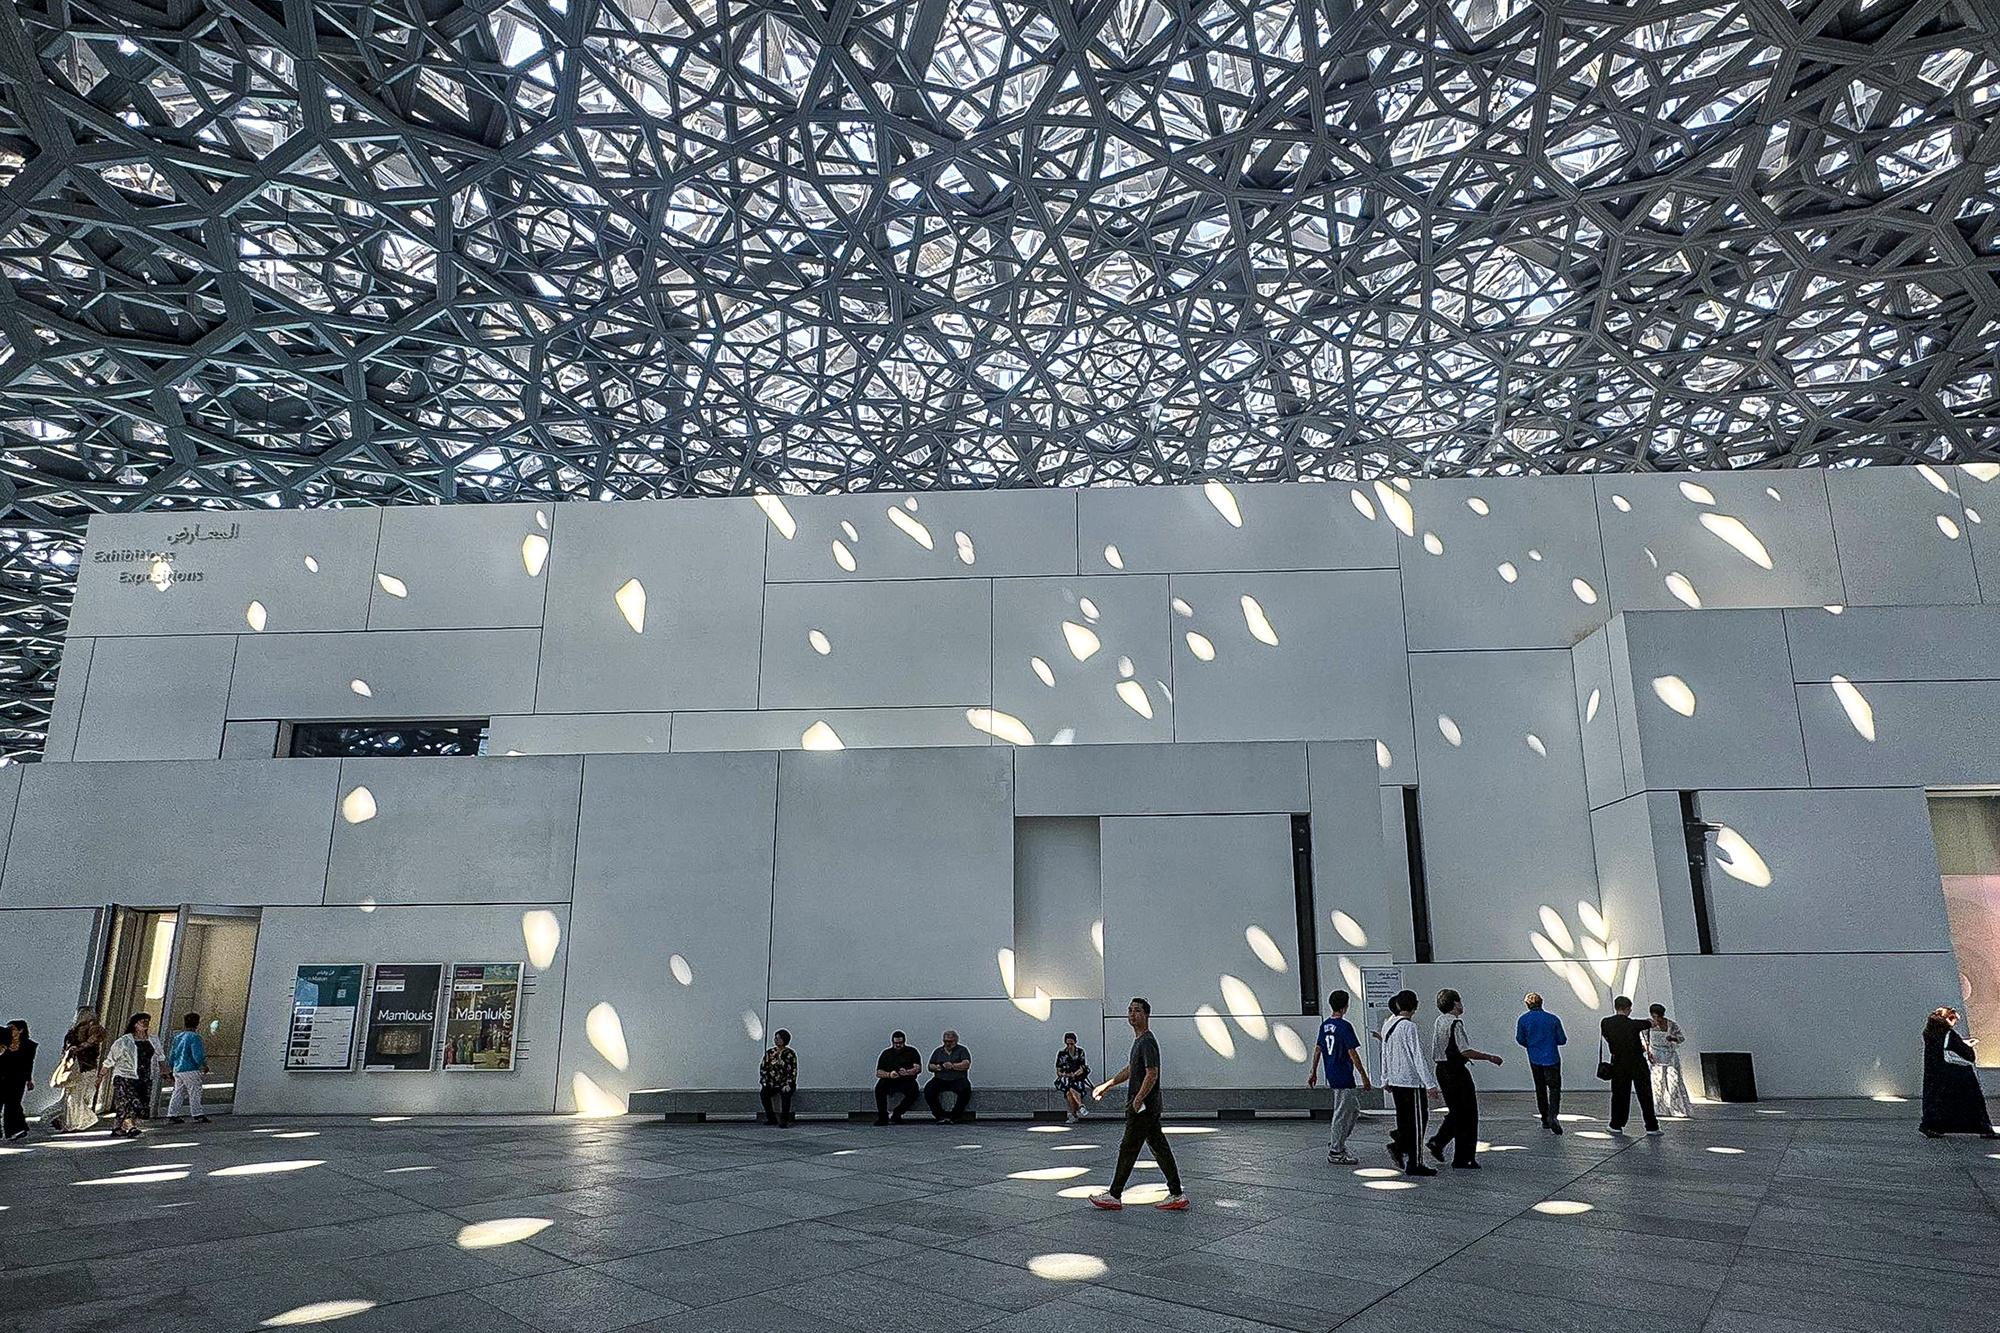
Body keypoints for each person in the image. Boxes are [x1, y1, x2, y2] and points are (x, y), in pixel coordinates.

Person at [1089, 998, 1189, 1210]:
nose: (1131, 1014)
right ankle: (1176, 1193)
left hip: (1143, 1107)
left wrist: (1139, 1098)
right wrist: (1107, 1085)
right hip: (1147, 1106)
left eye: (1136, 1011)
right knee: (1159, 1147)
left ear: (1146, 1015)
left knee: (1128, 1147)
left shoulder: (1147, 1041)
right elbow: (1132, 1069)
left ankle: (1114, 1194)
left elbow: (1152, 1073)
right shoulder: (1140, 1042)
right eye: (1129, 1011)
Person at [1427, 989, 1502, 1169]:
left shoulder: (1439, 1021)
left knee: (1456, 1111)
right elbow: (1465, 1050)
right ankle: (1463, 1156)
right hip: (1456, 1071)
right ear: (1455, 1004)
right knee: (1468, 1114)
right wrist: (1489, 1057)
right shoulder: (1455, 1023)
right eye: (1459, 1001)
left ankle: (1439, 1142)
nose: (1462, 1004)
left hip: (1441, 1069)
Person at [1379, 990, 1439, 1177]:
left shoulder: (1388, 1025)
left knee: (1405, 1120)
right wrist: (1429, 1083)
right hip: (1411, 1082)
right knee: (1418, 1122)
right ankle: (1414, 1161)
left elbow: (1385, 1053)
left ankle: (1401, 1145)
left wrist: (1385, 1078)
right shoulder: (1408, 1027)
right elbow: (1417, 1056)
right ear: (1415, 1005)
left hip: (1396, 1081)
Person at [1307, 989, 1370, 1165]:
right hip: (1343, 1074)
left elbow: (1318, 1049)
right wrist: (1364, 1076)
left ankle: (1338, 1140)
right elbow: (1353, 1053)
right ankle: (1336, 1149)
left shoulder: (1324, 1025)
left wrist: (1313, 1071)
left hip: (1332, 1072)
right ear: (1345, 1006)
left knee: (1353, 1109)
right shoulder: (1344, 1027)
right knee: (1342, 1112)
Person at [1919, 1006, 1997, 1139]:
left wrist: (1962, 1042)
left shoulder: (1930, 1032)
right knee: (1969, 1101)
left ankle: (1932, 1126)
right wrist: (1968, 1046)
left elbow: (1943, 1047)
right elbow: (1964, 1054)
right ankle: (1983, 1128)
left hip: (1935, 1074)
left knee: (1937, 1101)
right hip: (1955, 1074)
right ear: (1949, 1019)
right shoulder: (1949, 1033)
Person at [1602, 996, 1660, 1134]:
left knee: (1619, 1095)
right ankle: (1652, 1126)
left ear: (1616, 1007)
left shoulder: (1605, 1022)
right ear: (1628, 1009)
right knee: (1645, 1094)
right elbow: (1650, 1024)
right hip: (1637, 1062)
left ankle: (1616, 1124)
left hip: (1618, 1062)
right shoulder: (1634, 1024)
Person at [1515, 992, 1568, 1134]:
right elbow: (1562, 1039)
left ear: (1527, 1005)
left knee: (1540, 1088)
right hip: (1552, 1058)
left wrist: (1531, 1045)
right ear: (1542, 1002)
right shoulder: (1553, 1019)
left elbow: (1520, 1039)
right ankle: (1553, 1115)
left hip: (1534, 1058)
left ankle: (1544, 1118)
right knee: (1554, 1088)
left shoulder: (1523, 1020)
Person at [104, 1013, 161, 1138]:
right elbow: (110, 1059)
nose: (145, 1023)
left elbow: (160, 1056)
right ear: (135, 1024)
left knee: (134, 1102)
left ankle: (117, 1127)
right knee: (129, 1102)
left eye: (147, 1021)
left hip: (144, 1076)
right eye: (142, 1021)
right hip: (125, 1075)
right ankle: (131, 1127)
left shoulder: (153, 1040)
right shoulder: (124, 1041)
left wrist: (166, 1071)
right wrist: (101, 1075)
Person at [52, 1007, 104, 1134]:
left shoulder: (90, 1032)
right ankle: (75, 1122)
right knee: (75, 1096)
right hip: (80, 1068)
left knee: (78, 1096)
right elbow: (72, 1049)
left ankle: (67, 1120)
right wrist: (87, 1043)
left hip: (83, 1068)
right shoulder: (76, 1034)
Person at [1644, 1004, 1691, 1119]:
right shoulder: (1648, 1025)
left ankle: (1677, 1108)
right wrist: (1648, 1052)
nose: (1657, 1019)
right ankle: (1660, 1108)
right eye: (1655, 1016)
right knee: (1657, 1081)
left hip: (1670, 1054)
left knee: (1673, 1080)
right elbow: (1644, 1039)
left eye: (1659, 1017)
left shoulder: (1671, 1024)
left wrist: (1672, 1038)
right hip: (1655, 1055)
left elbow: (1681, 1038)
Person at [166, 1013, 210, 1125]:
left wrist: (170, 1068)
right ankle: (197, 1114)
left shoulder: (178, 1037)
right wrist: (203, 1065)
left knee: (178, 1092)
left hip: (178, 1069)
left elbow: (173, 1054)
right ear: (197, 1023)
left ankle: (172, 1114)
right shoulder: (195, 1037)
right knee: (195, 1091)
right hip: (190, 1068)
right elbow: (197, 1054)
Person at [873, 1031, 922, 1125]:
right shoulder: (886, 1054)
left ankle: (897, 1113)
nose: (898, 1045)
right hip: (889, 1080)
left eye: (900, 1043)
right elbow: (879, 1072)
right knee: (879, 1088)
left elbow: (918, 1068)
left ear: (904, 1042)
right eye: (896, 1043)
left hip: (906, 1080)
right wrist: (889, 1074)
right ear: (892, 1042)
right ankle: (883, 1117)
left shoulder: (912, 1052)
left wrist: (907, 1072)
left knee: (914, 1092)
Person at [924, 1030, 973, 1123]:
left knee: (965, 1091)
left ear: (956, 1040)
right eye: (945, 1041)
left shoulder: (962, 1050)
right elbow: (930, 1066)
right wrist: (938, 1067)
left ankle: (955, 1116)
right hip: (940, 1079)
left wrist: (952, 1066)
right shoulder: (938, 1051)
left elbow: (966, 1064)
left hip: (958, 1079)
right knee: (928, 1090)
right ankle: (939, 1115)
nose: (947, 1044)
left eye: (950, 1042)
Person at [0, 1021, 34, 1140]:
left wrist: (29, 1079)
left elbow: (29, 1063)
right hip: (2, 1076)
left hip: (17, 1078)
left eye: (12, 1028)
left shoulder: (28, 1045)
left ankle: (16, 1129)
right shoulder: (4, 1042)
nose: (10, 1030)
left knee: (13, 1104)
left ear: (21, 1030)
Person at [759, 1029, 797, 1127]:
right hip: (772, 1082)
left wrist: (788, 1083)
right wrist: (764, 1081)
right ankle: (771, 1118)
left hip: (785, 1082)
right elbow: (764, 1067)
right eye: (776, 1038)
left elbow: (792, 1070)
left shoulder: (790, 1054)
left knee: (785, 1095)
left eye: (779, 1038)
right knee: (764, 1094)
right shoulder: (770, 1053)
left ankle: (784, 1119)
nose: (776, 1040)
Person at [1055, 1033, 1091, 1123]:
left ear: (1075, 1042)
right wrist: (1064, 1075)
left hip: (1077, 1078)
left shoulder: (1080, 1052)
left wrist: (1074, 1074)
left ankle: (1074, 1115)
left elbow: (1082, 1068)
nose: (1070, 1046)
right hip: (1065, 1079)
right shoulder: (1062, 1054)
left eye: (1071, 1044)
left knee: (1069, 1092)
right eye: (1068, 1044)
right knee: (1070, 1087)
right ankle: (1080, 1106)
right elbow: (1058, 1070)